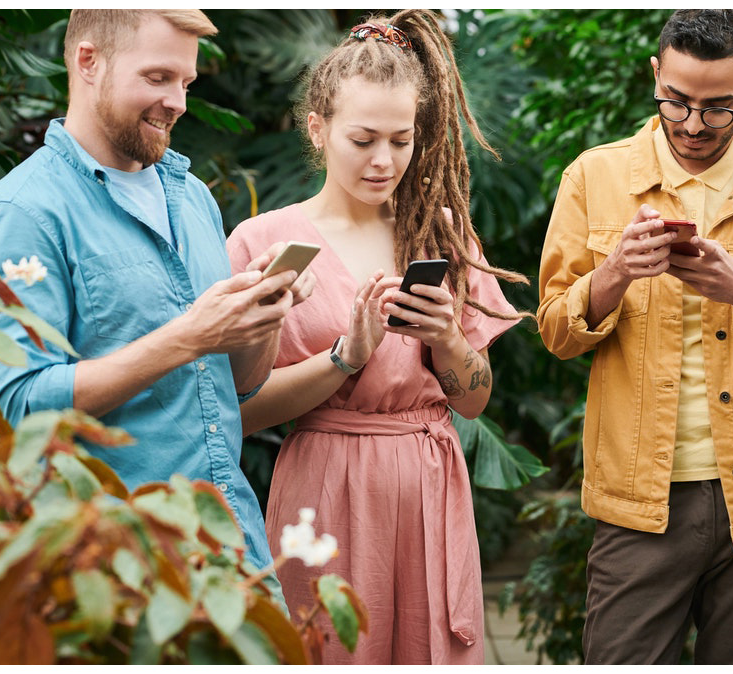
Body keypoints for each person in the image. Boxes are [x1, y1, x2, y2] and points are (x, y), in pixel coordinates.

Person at [0, 10, 313, 585]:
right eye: (157, 78)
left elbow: (238, 384)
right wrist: (189, 336)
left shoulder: (192, 197)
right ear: (88, 61)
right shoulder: (23, 214)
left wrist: (263, 315)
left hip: (232, 548)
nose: (177, 101)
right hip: (112, 569)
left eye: (186, 83)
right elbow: (17, 411)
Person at [537, 9, 733, 664]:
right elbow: (556, 333)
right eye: (675, 101)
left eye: (718, 108)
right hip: (639, 505)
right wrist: (614, 274)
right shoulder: (594, 178)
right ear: (655, 75)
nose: (693, 124)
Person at [225, 10, 528, 665]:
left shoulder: (440, 233)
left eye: (401, 139)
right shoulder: (265, 243)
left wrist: (448, 339)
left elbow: (473, 400)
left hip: (429, 484)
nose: (384, 160)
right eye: (363, 139)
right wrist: (343, 359)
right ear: (318, 128)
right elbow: (236, 412)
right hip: (327, 488)